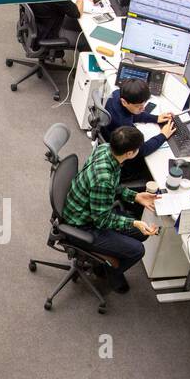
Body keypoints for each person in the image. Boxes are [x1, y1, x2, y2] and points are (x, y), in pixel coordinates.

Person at [59, 125, 160, 294]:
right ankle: (109, 270)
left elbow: (114, 187)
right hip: (83, 225)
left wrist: (135, 196)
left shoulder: (105, 149)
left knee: (141, 233)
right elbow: (102, 220)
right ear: (129, 153)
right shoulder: (103, 179)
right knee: (137, 250)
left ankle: (107, 257)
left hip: (88, 209)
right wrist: (134, 222)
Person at [101, 78, 177, 184]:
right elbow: (141, 150)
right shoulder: (123, 125)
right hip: (126, 161)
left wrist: (155, 118)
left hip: (111, 140)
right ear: (124, 102)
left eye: (143, 104)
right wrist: (163, 135)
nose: (142, 109)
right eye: (138, 106)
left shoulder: (118, 94)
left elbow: (132, 113)